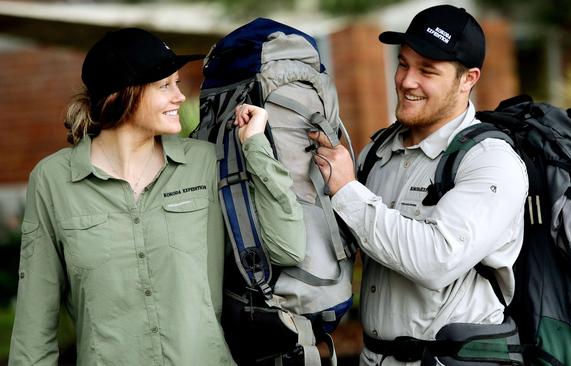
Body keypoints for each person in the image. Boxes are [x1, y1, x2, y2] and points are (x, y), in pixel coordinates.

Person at [8, 27, 305, 365]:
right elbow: (35, 320)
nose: (179, 96)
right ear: (123, 93)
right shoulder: (53, 180)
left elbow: (287, 248)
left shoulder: (205, 162)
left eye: (177, 83)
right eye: (165, 86)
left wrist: (256, 146)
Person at [308, 5, 528, 365]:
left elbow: (437, 260)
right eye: (403, 63)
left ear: (468, 79)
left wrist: (347, 190)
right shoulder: (376, 151)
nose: (407, 80)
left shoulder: (490, 160)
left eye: (427, 70)